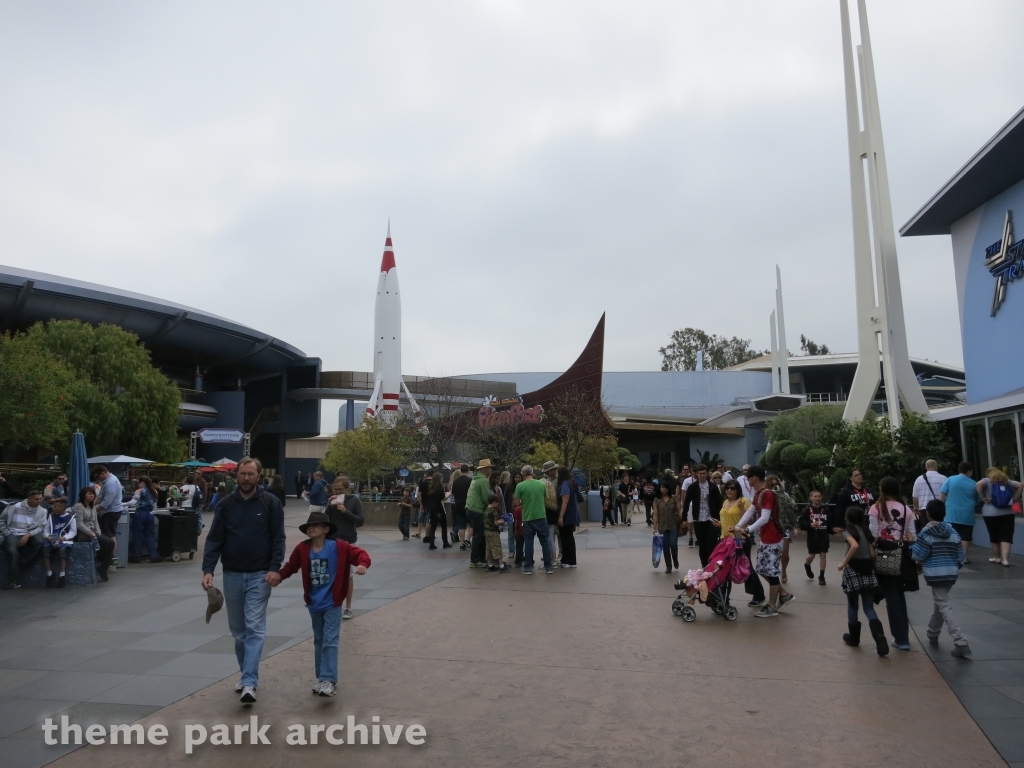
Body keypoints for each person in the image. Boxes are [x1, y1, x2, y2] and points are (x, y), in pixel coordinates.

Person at [201, 457, 287, 704]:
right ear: (236, 476)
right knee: (239, 632)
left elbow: (278, 539)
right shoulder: (226, 505)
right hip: (232, 575)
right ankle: (245, 674)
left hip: (260, 575)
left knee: (255, 628)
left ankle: (249, 681)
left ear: (259, 476)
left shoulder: (270, 503)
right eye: (242, 474)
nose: (246, 478)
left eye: (251, 474)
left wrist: (274, 568)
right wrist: (208, 569)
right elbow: (215, 539)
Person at [277, 511, 371, 696]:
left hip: (332, 603)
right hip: (314, 603)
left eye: (316, 525)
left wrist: (362, 565)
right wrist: (278, 576)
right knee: (319, 640)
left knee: (330, 640)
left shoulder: (338, 547)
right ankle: (322, 679)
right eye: (309, 526)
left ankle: (328, 680)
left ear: (326, 529)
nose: (311, 528)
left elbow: (361, 554)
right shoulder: (303, 549)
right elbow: (291, 566)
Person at [911, 500, 971, 657]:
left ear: (928, 514)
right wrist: (953, 567)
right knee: (940, 602)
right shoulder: (952, 532)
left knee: (943, 604)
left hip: (934, 573)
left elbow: (917, 554)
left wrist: (911, 545)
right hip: (950, 572)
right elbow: (960, 556)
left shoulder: (926, 533)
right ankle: (932, 632)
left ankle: (960, 640)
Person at [734, 466, 794, 618]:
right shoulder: (758, 494)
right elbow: (751, 512)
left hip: (774, 538)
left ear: (755, 477)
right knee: (762, 569)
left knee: (771, 572)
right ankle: (784, 595)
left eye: (748, 477)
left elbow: (765, 517)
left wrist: (747, 530)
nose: (747, 480)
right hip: (766, 538)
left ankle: (772, 606)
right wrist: (738, 526)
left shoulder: (767, 494)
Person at [868, 477, 916, 651]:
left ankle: (901, 638)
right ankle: (902, 636)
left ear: (881, 489)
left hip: (884, 555)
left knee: (892, 596)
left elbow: (872, 534)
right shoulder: (906, 509)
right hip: (902, 555)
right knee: (899, 595)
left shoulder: (875, 508)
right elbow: (912, 535)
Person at [837, 506, 888, 656]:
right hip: (868, 570)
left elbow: (854, 546)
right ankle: (879, 636)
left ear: (847, 519)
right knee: (869, 608)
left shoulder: (848, 532)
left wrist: (844, 562)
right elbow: (873, 554)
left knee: (853, 606)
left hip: (853, 570)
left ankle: (854, 637)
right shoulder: (866, 532)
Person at [325, 475, 365, 619]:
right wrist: (329, 506)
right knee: (332, 574)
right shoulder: (332, 500)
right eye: (335, 489)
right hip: (332, 541)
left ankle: (348, 607)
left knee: (348, 575)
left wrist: (345, 511)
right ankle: (334, 603)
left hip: (349, 541)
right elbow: (325, 520)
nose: (338, 492)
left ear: (347, 489)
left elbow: (360, 521)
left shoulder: (354, 500)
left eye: (341, 489)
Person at [719, 479, 759, 605]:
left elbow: (750, 520)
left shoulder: (743, 501)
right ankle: (724, 598)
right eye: (727, 488)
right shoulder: (725, 501)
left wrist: (742, 509)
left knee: (746, 567)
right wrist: (719, 524)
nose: (729, 490)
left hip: (739, 539)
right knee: (725, 568)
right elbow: (727, 519)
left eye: (732, 488)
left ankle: (758, 594)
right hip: (725, 539)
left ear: (737, 490)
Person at [0, 490, 47, 589]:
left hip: (30, 532)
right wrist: (7, 533)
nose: (39, 501)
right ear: (28, 499)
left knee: (40, 542)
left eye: (40, 499)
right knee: (12, 551)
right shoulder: (14, 507)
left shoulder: (42, 511)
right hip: (12, 532)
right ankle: (14, 580)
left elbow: (41, 527)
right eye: (36, 499)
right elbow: (2, 520)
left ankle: (17, 566)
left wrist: (29, 534)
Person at [977, 467, 1022, 567]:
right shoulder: (1007, 481)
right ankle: (1005, 560)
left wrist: (982, 497)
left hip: (990, 513)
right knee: (1006, 536)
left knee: (994, 536)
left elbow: (978, 484)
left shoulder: (987, 481)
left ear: (988, 473)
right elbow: (1020, 485)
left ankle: (998, 557)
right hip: (1008, 513)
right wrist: (1015, 498)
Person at [797, 489, 841, 585]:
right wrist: (810, 525)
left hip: (823, 536)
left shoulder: (825, 510)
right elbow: (801, 523)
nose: (817, 498)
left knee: (823, 555)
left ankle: (821, 576)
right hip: (812, 537)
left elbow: (830, 524)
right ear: (811, 498)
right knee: (811, 556)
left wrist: (833, 529)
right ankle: (807, 565)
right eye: (815, 496)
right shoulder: (807, 510)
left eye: (819, 496)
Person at [514, 465, 552, 575]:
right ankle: (548, 566)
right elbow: (545, 499)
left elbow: (516, 503)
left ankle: (528, 567)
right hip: (541, 516)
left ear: (522, 474)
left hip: (528, 517)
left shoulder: (520, 486)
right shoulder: (541, 484)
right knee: (545, 542)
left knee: (528, 542)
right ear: (532, 473)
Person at [683, 464, 723, 568]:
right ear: (696, 474)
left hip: (711, 518)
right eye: (700, 473)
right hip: (698, 519)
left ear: (707, 473)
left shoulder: (713, 487)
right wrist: (684, 518)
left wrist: (720, 518)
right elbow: (686, 503)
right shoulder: (692, 487)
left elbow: (719, 503)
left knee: (712, 543)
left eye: (704, 473)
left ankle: (712, 563)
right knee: (702, 544)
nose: (702, 475)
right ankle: (704, 565)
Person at [939, 462, 979, 564]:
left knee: (951, 535)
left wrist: (940, 507)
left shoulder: (950, 480)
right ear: (969, 471)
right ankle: (963, 556)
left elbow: (942, 495)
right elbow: (978, 499)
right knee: (965, 537)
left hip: (951, 514)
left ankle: (951, 555)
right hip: (967, 514)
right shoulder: (974, 484)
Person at [73, 486, 114, 582]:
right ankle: (100, 561)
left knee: (111, 542)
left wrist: (98, 532)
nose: (92, 496)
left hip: (94, 531)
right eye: (89, 494)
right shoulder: (78, 506)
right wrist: (89, 532)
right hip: (83, 532)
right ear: (83, 495)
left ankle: (103, 567)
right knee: (104, 541)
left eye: (93, 494)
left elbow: (95, 522)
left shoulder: (93, 508)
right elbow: (79, 523)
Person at [766, 476, 799, 584]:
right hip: (770, 527)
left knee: (785, 553)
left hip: (784, 526)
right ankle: (774, 573)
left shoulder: (785, 495)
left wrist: (793, 526)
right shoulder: (765, 496)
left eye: (776, 484)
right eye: (771, 485)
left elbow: (793, 508)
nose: (774, 487)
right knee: (772, 553)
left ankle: (783, 570)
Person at [465, 460, 494, 568]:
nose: (491, 470)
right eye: (490, 468)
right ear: (485, 469)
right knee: (478, 536)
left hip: (469, 509)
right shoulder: (483, 480)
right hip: (477, 510)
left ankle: (481, 558)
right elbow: (486, 498)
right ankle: (475, 560)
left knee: (480, 534)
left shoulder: (475, 479)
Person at [43, 497, 76, 588]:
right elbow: (46, 530)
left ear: (62, 508)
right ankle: (49, 574)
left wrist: (64, 538)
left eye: (55, 506)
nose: (53, 508)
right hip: (53, 539)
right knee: (46, 551)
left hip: (64, 540)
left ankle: (62, 575)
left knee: (62, 551)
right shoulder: (51, 517)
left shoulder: (71, 517)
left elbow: (73, 531)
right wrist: (48, 537)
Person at [128, 477, 161, 564]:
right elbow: (154, 504)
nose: (138, 484)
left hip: (140, 514)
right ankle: (153, 555)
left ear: (142, 482)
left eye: (138, 482)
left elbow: (133, 502)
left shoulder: (139, 491)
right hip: (150, 514)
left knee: (138, 535)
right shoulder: (154, 491)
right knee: (150, 535)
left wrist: (121, 504)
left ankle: (137, 556)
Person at [652, 482, 682, 573]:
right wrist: (655, 527)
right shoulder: (657, 500)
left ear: (668, 489)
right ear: (659, 489)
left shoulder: (674, 498)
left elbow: (679, 510)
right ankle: (668, 566)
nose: (664, 489)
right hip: (662, 526)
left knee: (673, 544)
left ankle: (675, 559)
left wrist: (683, 519)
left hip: (673, 525)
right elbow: (655, 515)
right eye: (662, 487)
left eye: (665, 488)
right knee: (665, 547)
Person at [556, 466, 580, 569]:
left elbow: (565, 501)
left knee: (567, 538)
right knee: (567, 537)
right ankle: (567, 559)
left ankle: (570, 560)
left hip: (567, 515)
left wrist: (561, 516)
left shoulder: (565, 484)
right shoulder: (571, 483)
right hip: (571, 514)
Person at [94, 465, 124, 544]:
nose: (97, 479)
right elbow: (100, 496)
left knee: (109, 535)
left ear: (102, 473)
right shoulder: (106, 481)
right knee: (106, 534)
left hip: (111, 512)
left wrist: (93, 510)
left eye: (97, 476)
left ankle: (111, 555)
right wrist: (90, 505)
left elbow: (106, 503)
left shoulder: (111, 483)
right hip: (108, 511)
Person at [422, 472, 451, 551]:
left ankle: (431, 543)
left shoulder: (430, 487)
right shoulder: (440, 488)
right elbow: (443, 499)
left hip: (431, 509)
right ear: (440, 479)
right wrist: (449, 494)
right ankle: (445, 543)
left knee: (433, 527)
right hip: (439, 509)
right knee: (444, 526)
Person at [483, 494, 510, 572]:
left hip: (487, 532)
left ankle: (490, 565)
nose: (498, 505)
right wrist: (502, 521)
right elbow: (495, 523)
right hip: (493, 532)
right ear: (494, 502)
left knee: (488, 549)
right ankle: (501, 566)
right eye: (497, 503)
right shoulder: (493, 511)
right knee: (497, 548)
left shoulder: (486, 510)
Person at [542, 461, 562, 564]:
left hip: (557, 507)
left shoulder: (559, 479)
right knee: (552, 534)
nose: (547, 473)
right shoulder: (549, 479)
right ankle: (552, 552)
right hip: (551, 507)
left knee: (558, 533)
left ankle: (560, 552)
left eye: (548, 471)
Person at [450, 465, 473, 548]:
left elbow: (453, 493)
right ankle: (467, 540)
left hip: (458, 505)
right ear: (468, 470)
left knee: (461, 525)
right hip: (468, 505)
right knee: (472, 524)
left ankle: (462, 543)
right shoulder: (470, 480)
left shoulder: (455, 481)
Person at [504, 471, 523, 558]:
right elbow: (505, 499)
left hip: (521, 513)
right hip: (510, 512)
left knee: (520, 532)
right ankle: (511, 551)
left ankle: (520, 551)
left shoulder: (523, 486)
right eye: (516, 477)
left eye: (519, 477)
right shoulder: (509, 487)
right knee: (510, 533)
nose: (518, 479)